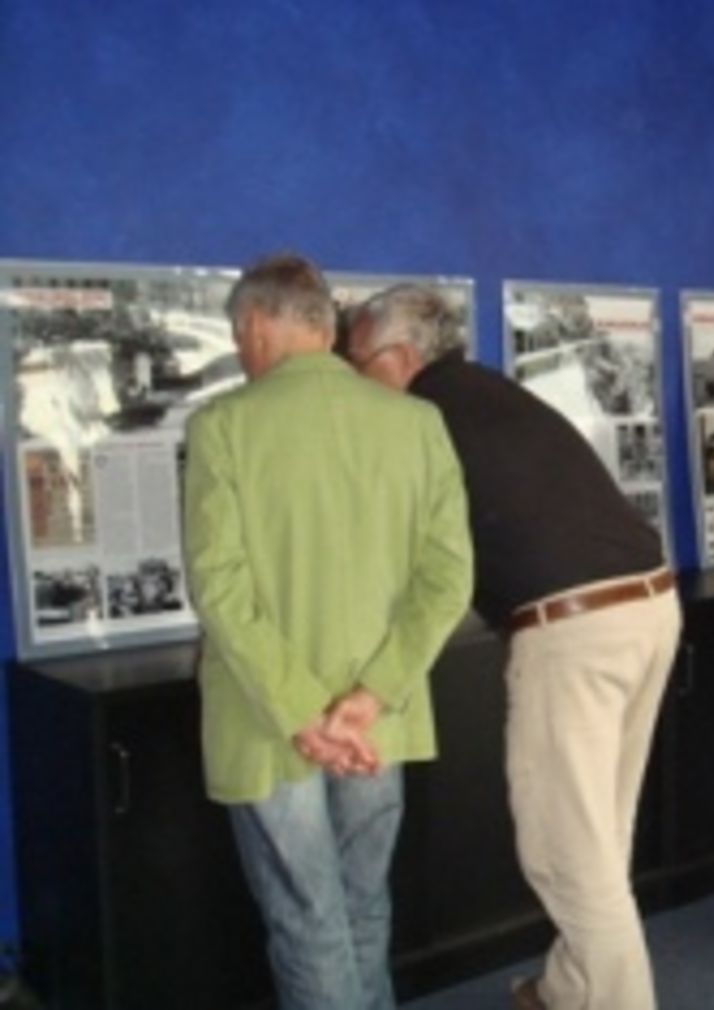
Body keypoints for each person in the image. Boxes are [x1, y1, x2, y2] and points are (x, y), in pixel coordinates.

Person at [344, 285, 680, 1010]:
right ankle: (568, 990)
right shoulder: (488, 391)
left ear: (397, 358)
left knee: (565, 855)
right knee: (599, 834)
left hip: (574, 631)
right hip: (648, 603)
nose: (352, 380)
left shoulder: (420, 416)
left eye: (357, 362)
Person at [183, 254, 473, 1010]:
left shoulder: (222, 426)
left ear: (254, 325)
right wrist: (369, 697)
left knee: (307, 920)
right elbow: (448, 580)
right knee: (363, 902)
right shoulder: (417, 423)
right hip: (378, 725)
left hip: (270, 725)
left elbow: (220, 588)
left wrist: (304, 713)